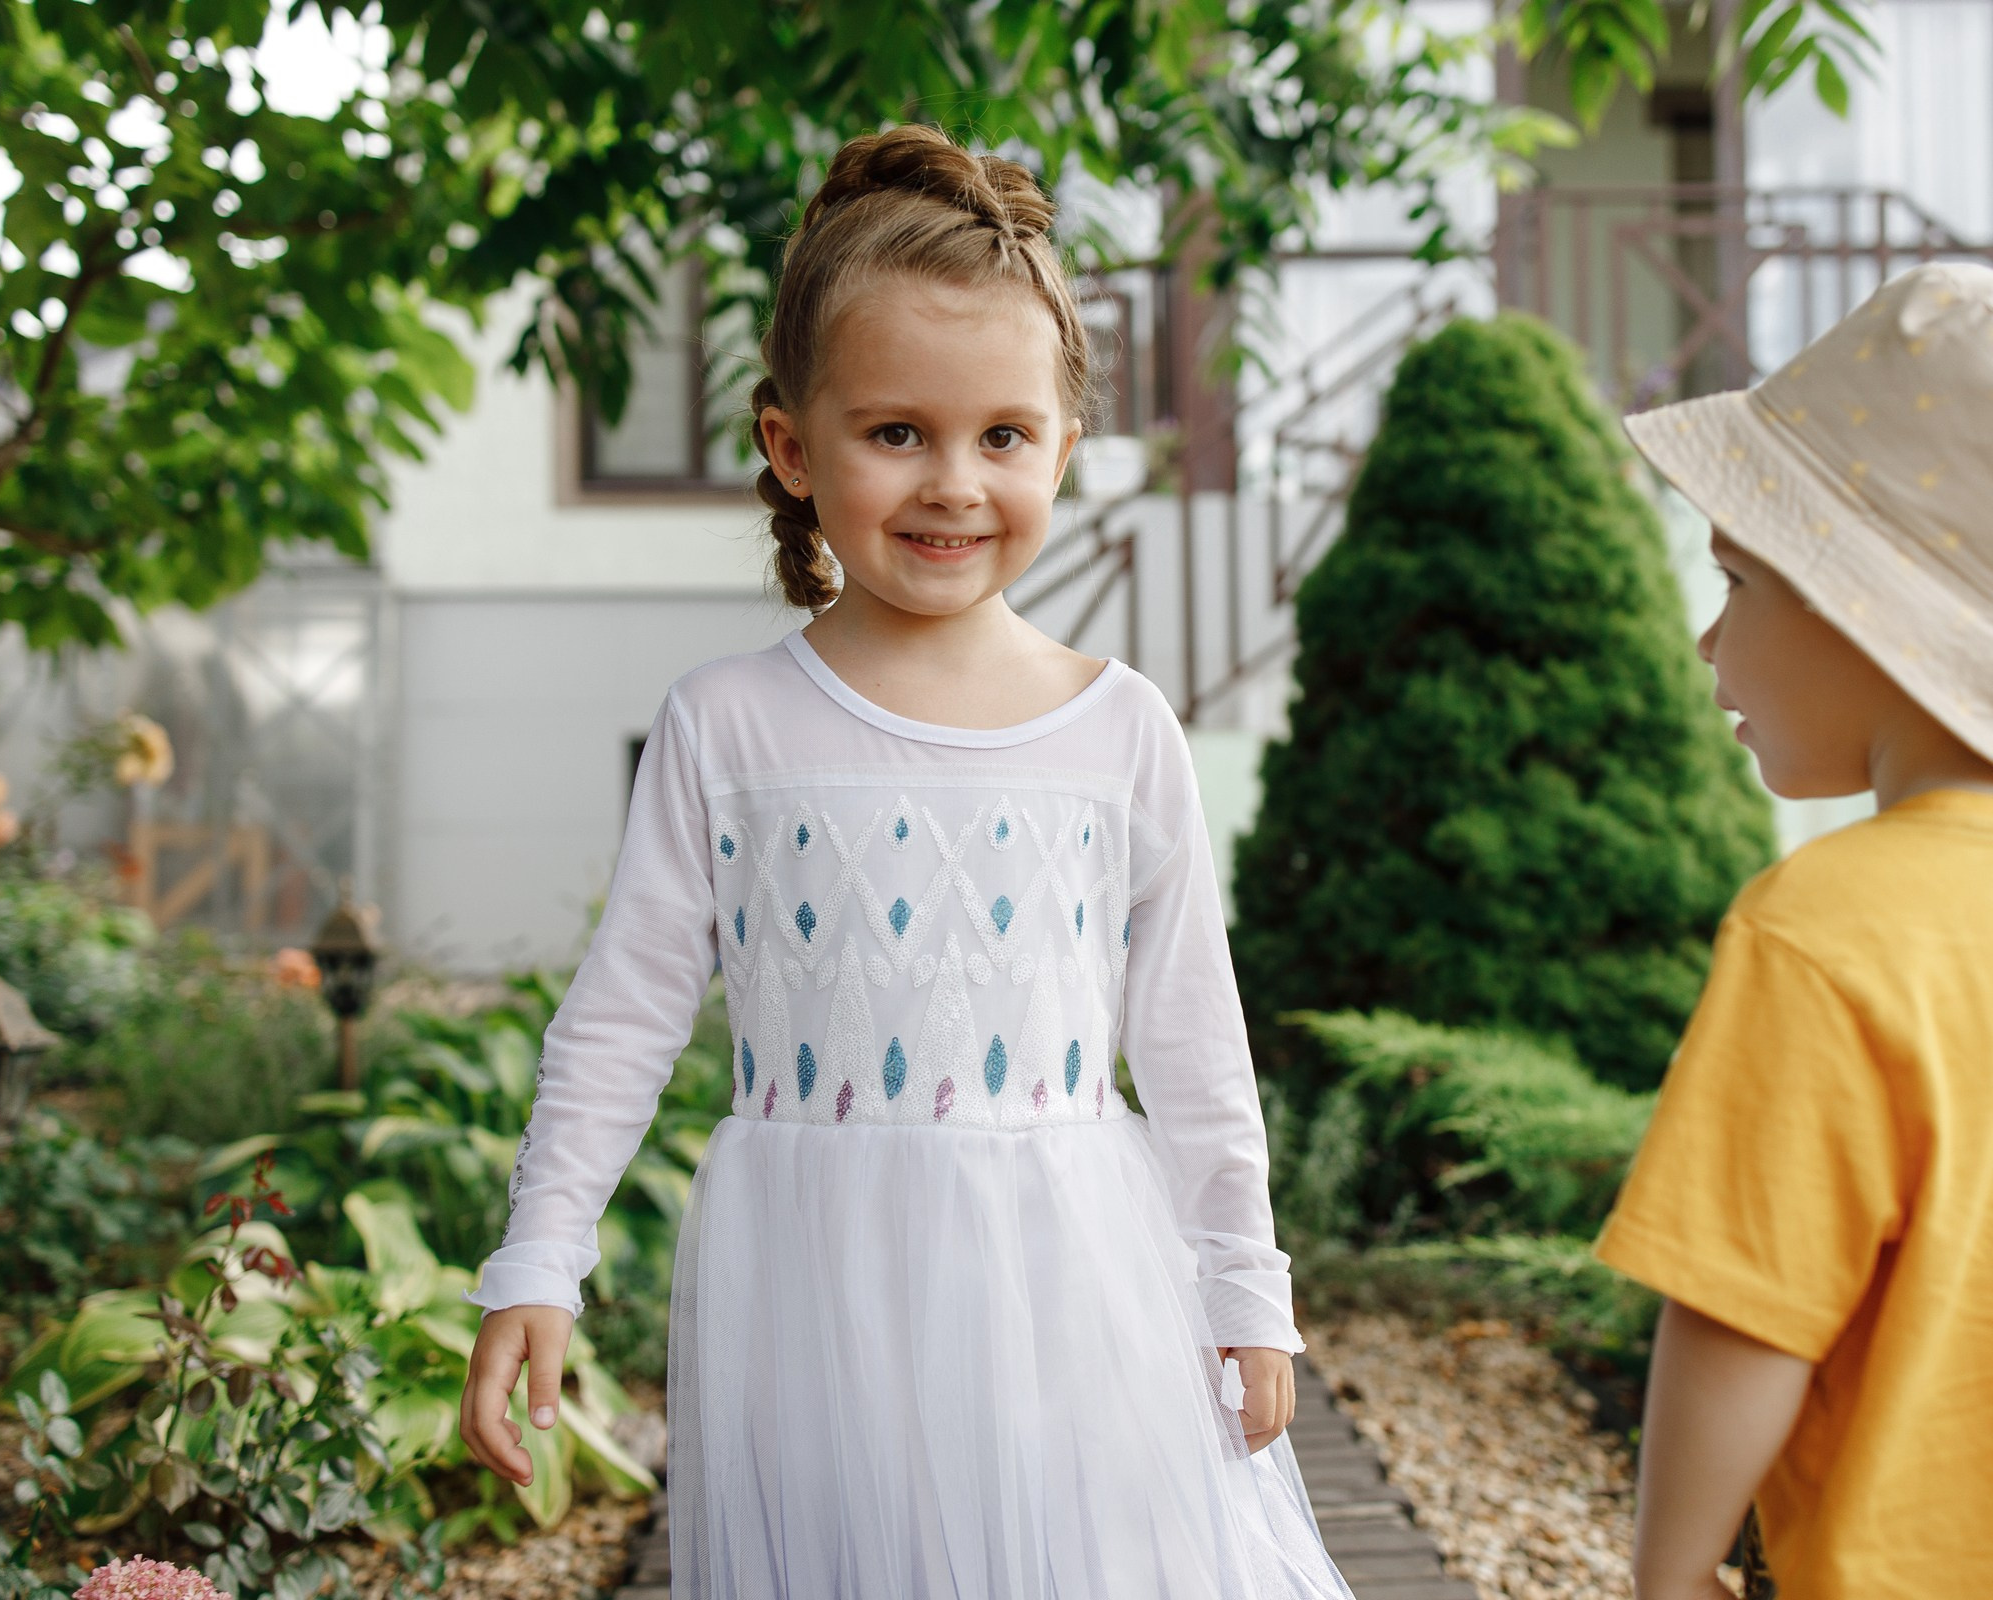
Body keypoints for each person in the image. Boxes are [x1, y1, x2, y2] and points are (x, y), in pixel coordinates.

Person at [455, 124, 1354, 1599]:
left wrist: (1246, 1284)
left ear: (1064, 446)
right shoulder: (727, 727)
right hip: (815, 1290)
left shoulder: (1119, 729)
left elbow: (1192, 1037)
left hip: (1070, 1282)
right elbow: (618, 1020)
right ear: (793, 449)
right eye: (895, 434)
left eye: (1003, 436)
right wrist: (540, 1259)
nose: (953, 482)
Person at [1597, 259, 1993, 1600]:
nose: (1709, 644)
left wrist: (1667, 1577)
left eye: (1739, 582)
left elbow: (1742, 1314)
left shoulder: (1823, 929)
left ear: (1866, 609)